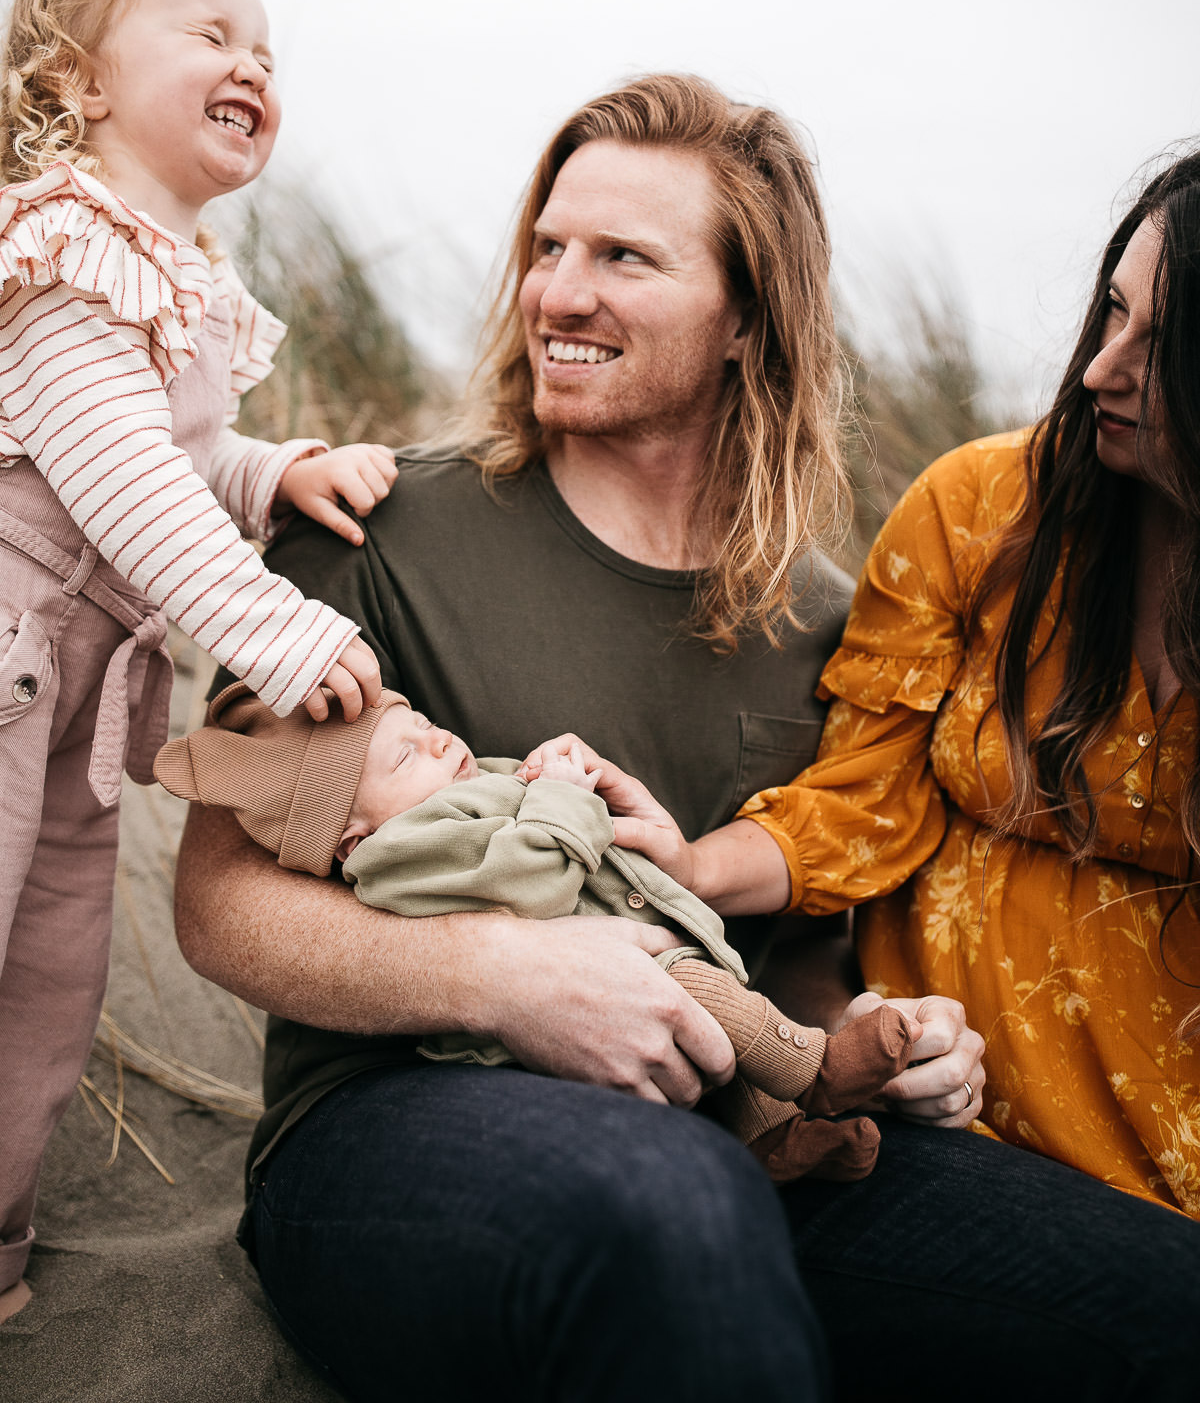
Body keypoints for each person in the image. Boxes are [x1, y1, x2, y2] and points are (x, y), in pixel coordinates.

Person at [176, 78, 1200, 1401]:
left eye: (623, 258)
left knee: (1160, 1299)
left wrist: (882, 1044)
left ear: (745, 318)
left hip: (763, 1138)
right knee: (678, 1202)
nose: (559, 293)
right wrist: (505, 979)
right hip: (393, 1133)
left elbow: (808, 964)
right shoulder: (377, 527)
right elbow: (218, 901)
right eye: (549, 247)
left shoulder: (831, 620)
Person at [661, 148, 1200, 1222]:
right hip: (949, 1114)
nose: (1102, 366)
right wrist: (679, 867)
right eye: (1111, 311)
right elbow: (869, 799)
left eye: (1166, 343)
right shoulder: (983, 508)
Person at [0, 0, 396, 1324]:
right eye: (211, 34)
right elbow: (117, 482)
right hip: (7, 659)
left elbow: (173, 455)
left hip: (76, 706)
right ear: (79, 82)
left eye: (266, 51)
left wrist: (270, 467)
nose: (251, 64)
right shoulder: (59, 246)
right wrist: (276, 631)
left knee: (52, 966)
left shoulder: (178, 283)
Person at [156, 683, 917, 1182]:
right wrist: (555, 797)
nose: (438, 742)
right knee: (702, 1001)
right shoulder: (395, 856)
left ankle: (778, 1143)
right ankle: (816, 1069)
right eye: (407, 753)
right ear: (350, 837)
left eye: (420, 724)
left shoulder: (454, 793)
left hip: (644, 963)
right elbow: (531, 881)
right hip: (595, 993)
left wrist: (540, 776)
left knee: (717, 1067)